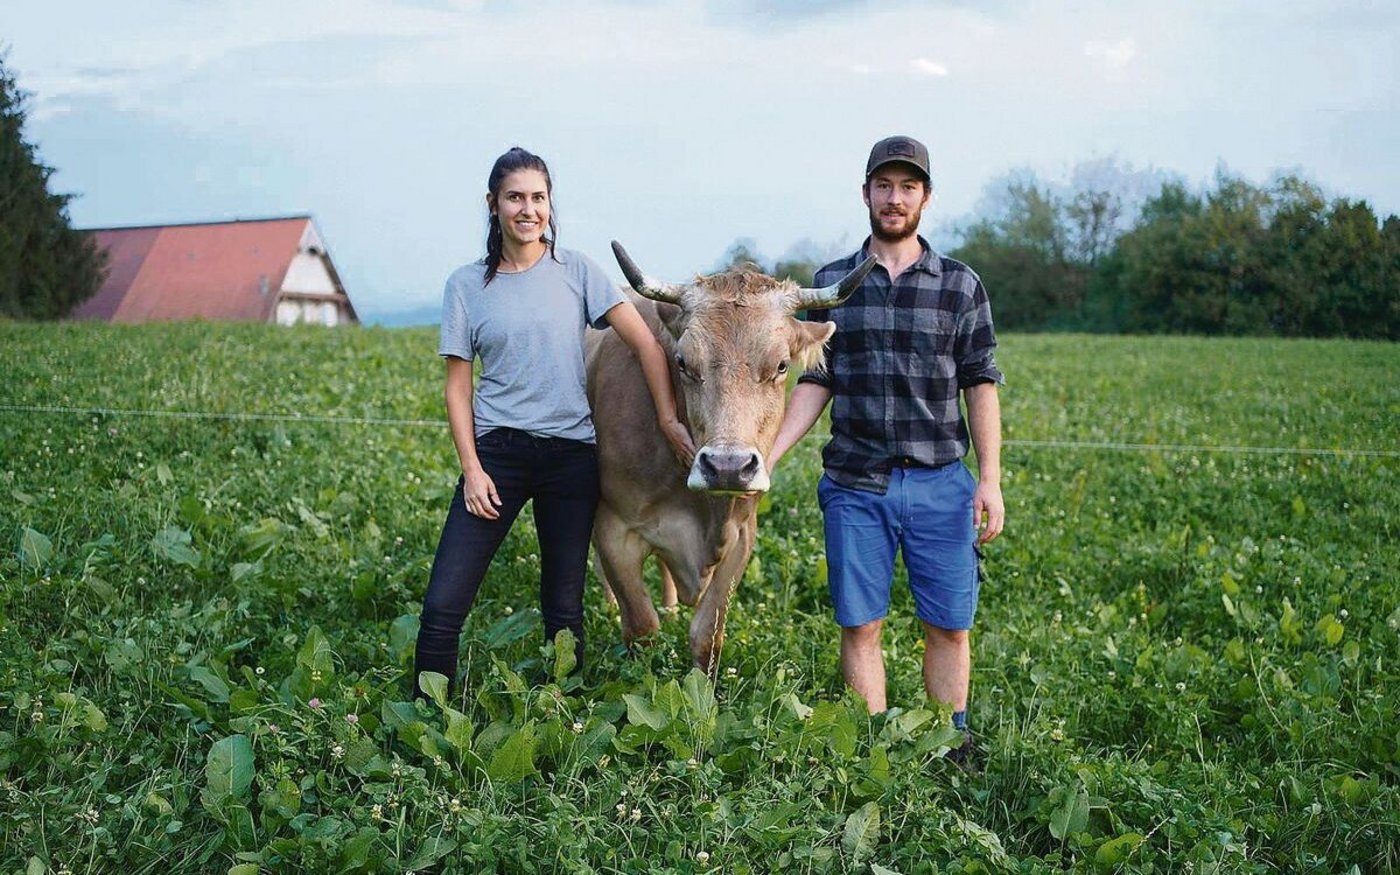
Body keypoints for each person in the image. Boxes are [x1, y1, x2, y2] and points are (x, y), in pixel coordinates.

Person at [413, 147, 694, 698]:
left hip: (570, 459)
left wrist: (665, 418)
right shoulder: (467, 286)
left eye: (538, 198)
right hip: (498, 455)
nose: (528, 210)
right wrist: (472, 469)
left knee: (564, 603)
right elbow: (457, 385)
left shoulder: (578, 272)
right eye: (515, 197)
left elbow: (648, 345)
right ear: (492, 205)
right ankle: (427, 710)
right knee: (445, 600)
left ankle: (562, 712)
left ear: (549, 205)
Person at [768, 135, 1004, 757]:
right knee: (860, 624)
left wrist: (991, 480)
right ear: (866, 192)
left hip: (941, 483)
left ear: (926, 197)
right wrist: (769, 457)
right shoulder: (829, 287)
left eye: (908, 187)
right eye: (883, 186)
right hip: (855, 483)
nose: (894, 199)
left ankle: (948, 745)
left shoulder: (960, 285)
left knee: (950, 626)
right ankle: (874, 747)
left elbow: (981, 384)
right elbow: (817, 380)